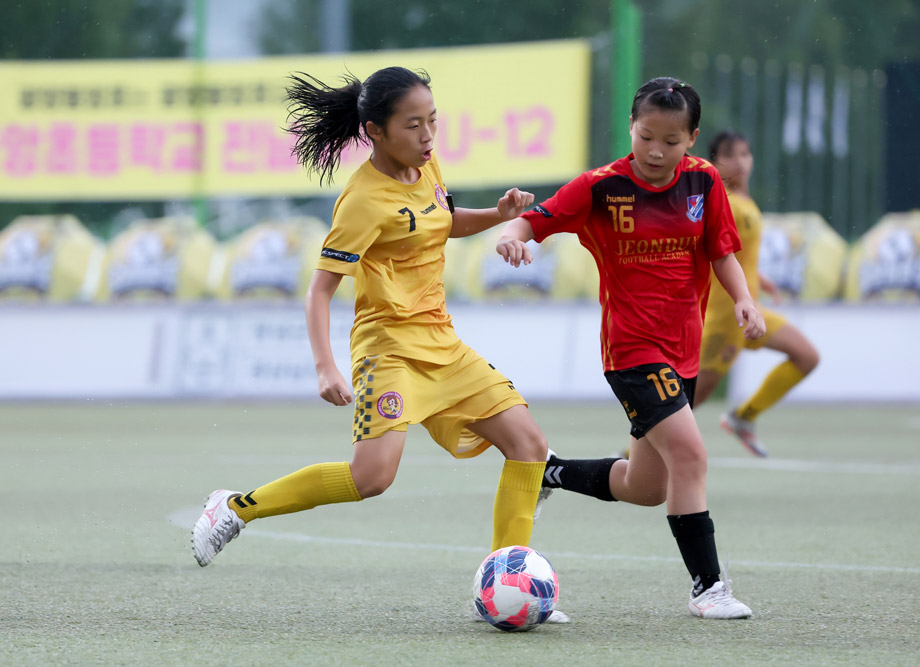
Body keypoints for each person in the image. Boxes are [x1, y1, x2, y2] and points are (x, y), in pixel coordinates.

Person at [191, 66, 567, 621]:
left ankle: (509, 584)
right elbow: (319, 291)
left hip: (442, 342)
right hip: (387, 349)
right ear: (375, 131)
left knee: (529, 445)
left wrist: (499, 216)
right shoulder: (362, 202)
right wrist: (325, 367)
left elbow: (439, 221)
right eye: (413, 125)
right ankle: (236, 507)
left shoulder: (427, 163)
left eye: (432, 122)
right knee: (371, 478)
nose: (428, 136)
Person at [496, 77, 765, 619]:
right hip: (633, 352)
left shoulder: (705, 184)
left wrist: (744, 300)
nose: (656, 151)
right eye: (646, 137)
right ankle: (708, 588)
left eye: (671, 140)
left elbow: (722, 253)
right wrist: (513, 237)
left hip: (682, 352)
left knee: (645, 487)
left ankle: (550, 472)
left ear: (691, 138)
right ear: (631, 129)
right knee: (691, 454)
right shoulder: (601, 186)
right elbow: (536, 219)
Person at [696, 131, 820, 457]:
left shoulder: (743, 202)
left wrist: (757, 277)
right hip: (724, 320)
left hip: (751, 314)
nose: (740, 161)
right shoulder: (724, 202)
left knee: (806, 356)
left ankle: (742, 417)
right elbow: (708, 249)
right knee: (684, 403)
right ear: (714, 163)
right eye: (730, 155)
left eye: (745, 153)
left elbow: (733, 251)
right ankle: (627, 458)